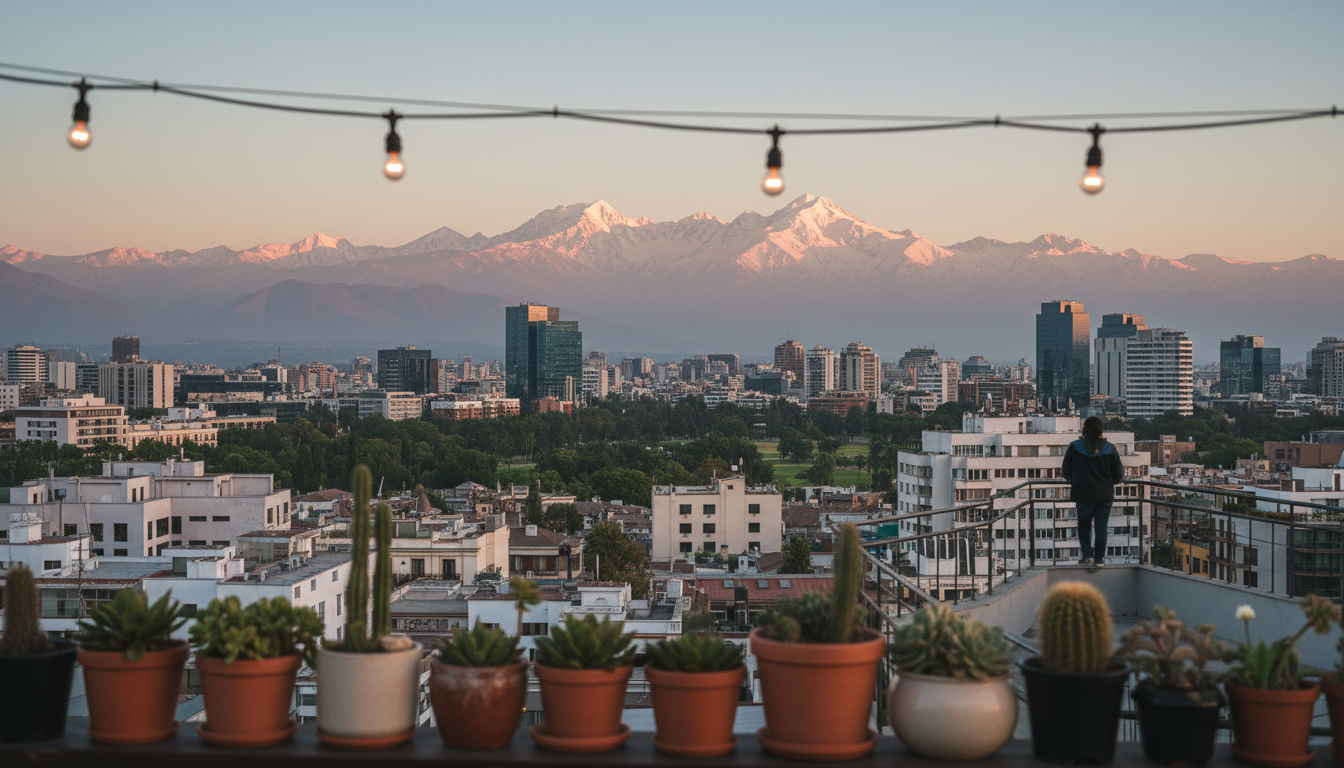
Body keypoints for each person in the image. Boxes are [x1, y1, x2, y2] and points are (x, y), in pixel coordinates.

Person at [1061, 416, 1124, 567]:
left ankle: (1087, 556)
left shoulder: (1074, 446)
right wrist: (1109, 482)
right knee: (1101, 527)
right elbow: (1119, 475)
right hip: (1104, 494)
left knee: (1084, 525)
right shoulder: (1110, 448)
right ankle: (1099, 559)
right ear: (1101, 430)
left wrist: (1075, 479)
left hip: (1083, 493)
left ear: (1085, 429)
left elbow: (1065, 471)